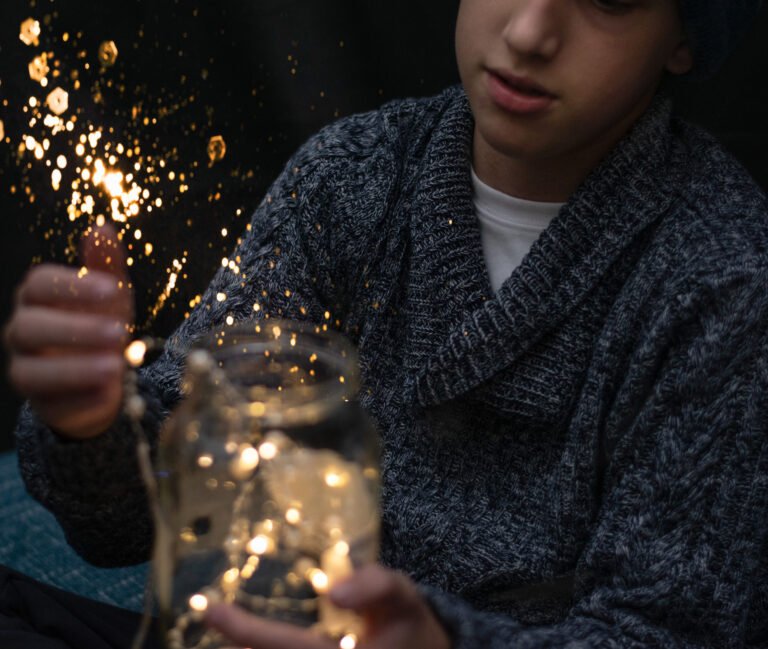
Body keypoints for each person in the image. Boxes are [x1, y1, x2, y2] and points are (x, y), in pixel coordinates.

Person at [5, 0, 768, 647]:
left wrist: (446, 639)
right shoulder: (354, 175)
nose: (530, 32)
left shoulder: (723, 276)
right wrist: (92, 424)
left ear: (683, 37)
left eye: (609, 1)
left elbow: (665, 627)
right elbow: (141, 517)